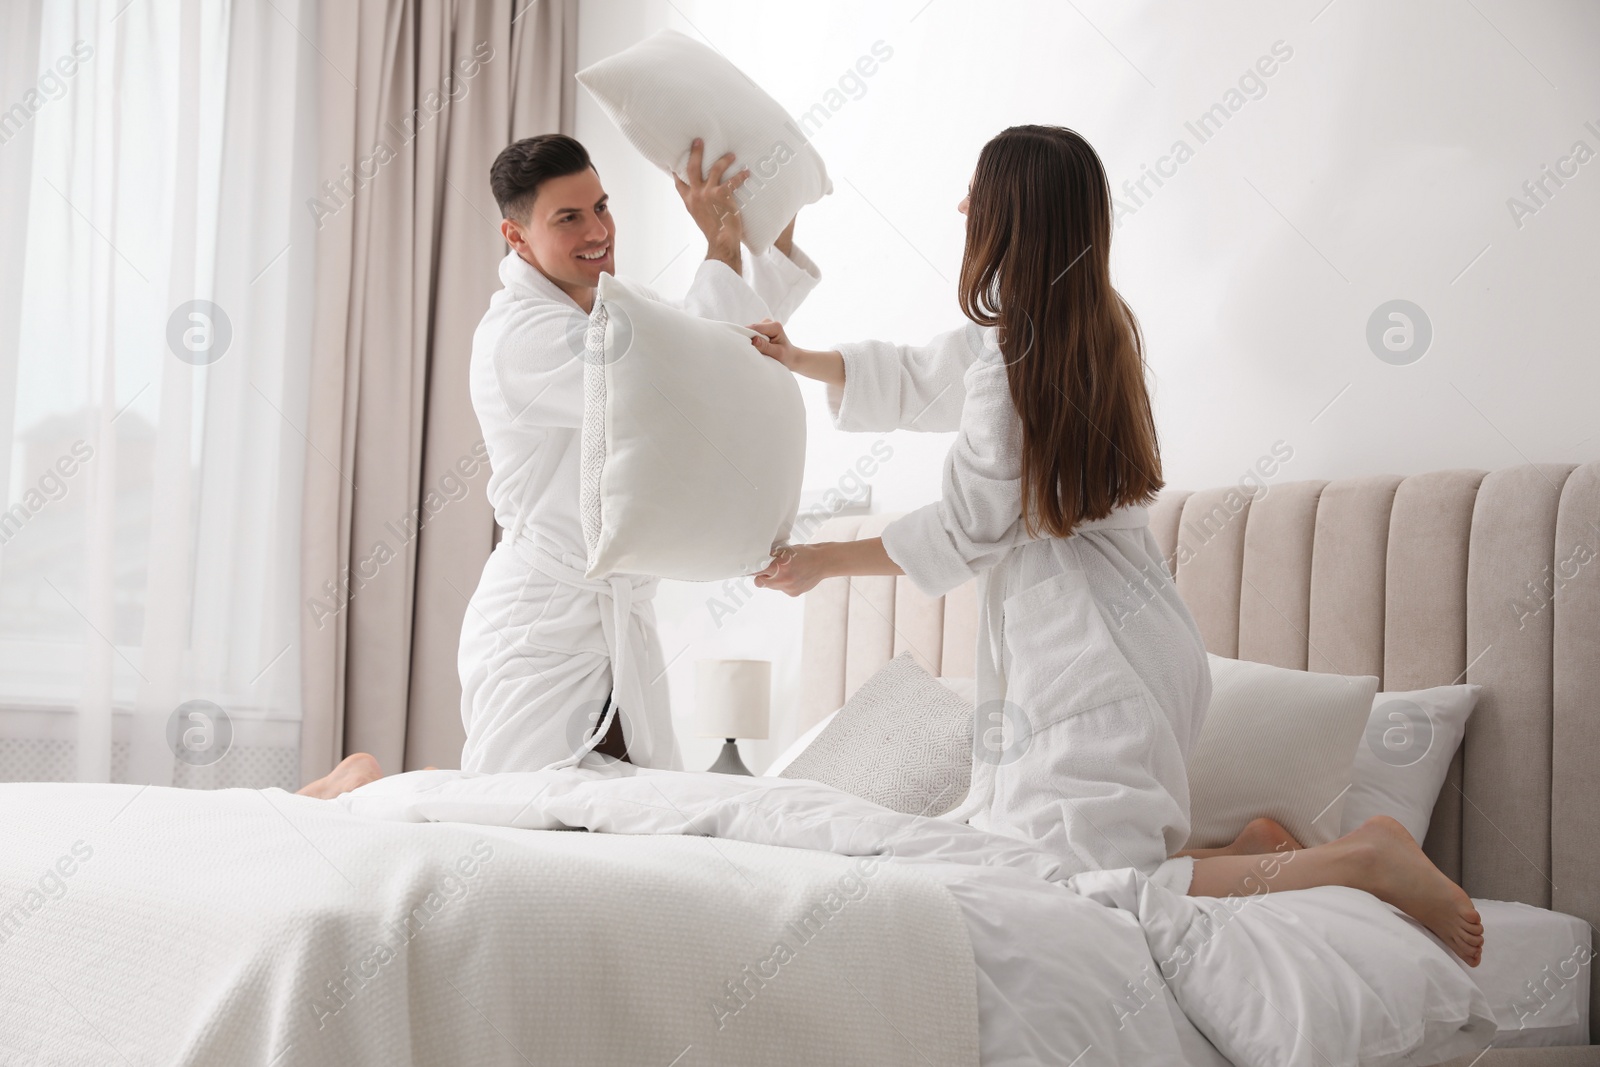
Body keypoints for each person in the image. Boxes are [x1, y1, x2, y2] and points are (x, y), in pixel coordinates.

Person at [748, 124, 1483, 967]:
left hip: (1086, 667)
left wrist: (821, 561)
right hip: (1137, 648)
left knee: (1093, 879)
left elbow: (967, 529)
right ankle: (1254, 850)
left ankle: (1364, 857)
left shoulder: (1011, 358)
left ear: (1007, 217)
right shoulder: (1088, 331)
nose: (960, 207)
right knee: (1082, 860)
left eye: (975, 194)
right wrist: (803, 358)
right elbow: (927, 376)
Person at [456, 133, 821, 774]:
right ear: (516, 238)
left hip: (624, 626)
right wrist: (723, 247)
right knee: (524, 822)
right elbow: (670, 382)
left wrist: (768, 228)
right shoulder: (518, 338)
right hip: (545, 624)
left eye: (601, 206)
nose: (598, 230)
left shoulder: (622, 309)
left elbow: (711, 347)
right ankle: (359, 785)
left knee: (637, 819)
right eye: (568, 217)